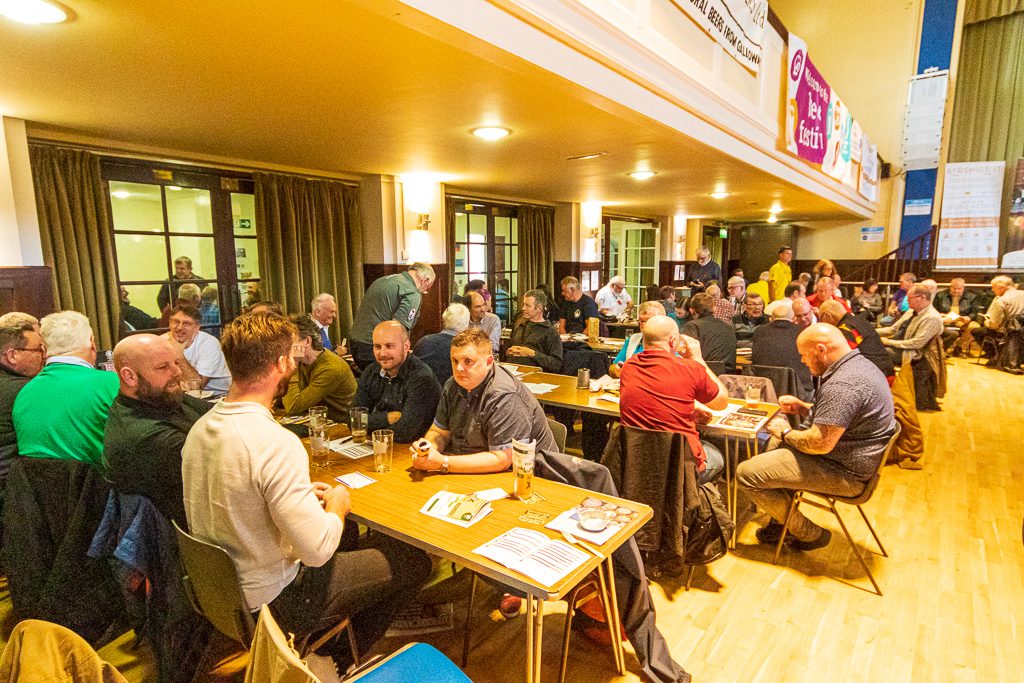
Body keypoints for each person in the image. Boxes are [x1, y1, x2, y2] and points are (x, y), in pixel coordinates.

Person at [182, 313, 430, 671]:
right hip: (277, 599)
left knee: (350, 539)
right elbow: (316, 551)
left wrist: (298, 496)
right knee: (413, 561)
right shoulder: (274, 442)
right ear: (282, 363)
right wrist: (338, 505)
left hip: (221, 590)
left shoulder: (200, 429)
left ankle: (329, 637)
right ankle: (337, 660)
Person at [738, 324, 896, 550]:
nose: (802, 361)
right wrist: (803, 408)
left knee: (746, 474)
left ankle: (809, 534)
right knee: (774, 446)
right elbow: (844, 417)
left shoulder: (844, 384)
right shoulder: (860, 365)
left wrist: (785, 431)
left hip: (845, 473)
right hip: (850, 459)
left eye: (804, 355)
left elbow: (819, 444)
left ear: (821, 350)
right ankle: (780, 524)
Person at [412, 328, 557, 474]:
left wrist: (443, 462)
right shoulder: (452, 385)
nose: (459, 368)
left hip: (528, 476)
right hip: (469, 468)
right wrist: (428, 448)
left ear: (488, 362)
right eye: (455, 361)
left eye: (468, 361)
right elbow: (439, 432)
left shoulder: (505, 395)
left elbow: (502, 459)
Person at [103, 334, 211, 526]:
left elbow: (214, 413)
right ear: (129, 376)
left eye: (176, 363)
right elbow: (220, 468)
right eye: (163, 367)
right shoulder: (146, 437)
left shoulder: (159, 397)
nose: (178, 372)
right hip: (188, 533)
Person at [618, 315, 727, 483]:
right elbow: (721, 402)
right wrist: (698, 359)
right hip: (679, 467)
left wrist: (687, 408)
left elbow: (652, 398)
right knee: (717, 457)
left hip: (636, 462)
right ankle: (691, 496)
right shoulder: (690, 368)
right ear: (673, 340)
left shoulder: (629, 366)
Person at [12, 311, 119, 468]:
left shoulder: (24, 393)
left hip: (36, 483)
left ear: (44, 349)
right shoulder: (113, 383)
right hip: (97, 481)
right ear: (92, 342)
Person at [353, 321, 441, 443]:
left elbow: (405, 433)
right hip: (382, 445)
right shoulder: (371, 371)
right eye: (377, 347)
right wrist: (387, 418)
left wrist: (369, 422)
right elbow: (353, 420)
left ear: (406, 346)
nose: (382, 353)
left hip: (412, 449)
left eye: (389, 346)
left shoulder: (422, 378)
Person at [350, 263, 436, 370]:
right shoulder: (412, 292)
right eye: (426, 289)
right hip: (376, 348)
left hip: (355, 344)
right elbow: (397, 329)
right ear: (425, 280)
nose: (423, 292)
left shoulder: (382, 280)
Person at [282, 315, 357, 422]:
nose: (284, 346)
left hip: (342, 424)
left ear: (307, 341)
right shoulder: (303, 361)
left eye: (289, 341)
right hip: (317, 418)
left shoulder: (330, 368)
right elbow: (282, 396)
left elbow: (293, 407)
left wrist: (292, 366)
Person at [0, 323, 45, 495]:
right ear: (12, 355)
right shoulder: (26, 390)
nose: (44, 356)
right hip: (12, 491)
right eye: (38, 349)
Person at [818, 300, 894, 382]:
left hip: (874, 378)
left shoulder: (846, 328)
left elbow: (839, 355)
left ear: (827, 316)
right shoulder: (860, 320)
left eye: (822, 320)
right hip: (884, 372)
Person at [751, 304, 814, 400]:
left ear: (771, 319)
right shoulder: (804, 332)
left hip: (764, 391)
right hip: (799, 391)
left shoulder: (759, 331)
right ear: (794, 319)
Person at [164, 305, 231, 394]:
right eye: (176, 322)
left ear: (197, 327)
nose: (179, 327)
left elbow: (196, 386)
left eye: (186, 323)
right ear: (169, 323)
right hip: (182, 395)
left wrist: (178, 354)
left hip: (217, 396)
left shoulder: (209, 343)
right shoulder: (160, 342)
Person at [878, 283, 944, 366]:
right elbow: (893, 329)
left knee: (871, 351)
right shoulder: (910, 312)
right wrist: (870, 331)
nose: (907, 301)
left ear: (922, 298)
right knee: (869, 345)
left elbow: (917, 343)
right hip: (898, 347)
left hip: (911, 354)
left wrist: (889, 342)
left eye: (909, 298)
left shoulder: (932, 317)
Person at [972, 275, 1024, 371]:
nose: (992, 290)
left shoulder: (1002, 300)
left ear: (1002, 287)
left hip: (1007, 334)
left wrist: (986, 321)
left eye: (993, 287)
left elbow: (994, 325)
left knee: (976, 331)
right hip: (1021, 333)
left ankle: (995, 356)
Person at [505, 290, 563, 373]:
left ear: (539, 308)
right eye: (523, 304)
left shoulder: (550, 332)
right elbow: (508, 351)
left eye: (528, 305)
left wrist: (532, 354)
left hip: (534, 375)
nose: (523, 308)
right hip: (512, 371)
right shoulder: (520, 326)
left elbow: (556, 364)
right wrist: (508, 352)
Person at [414, 303, 470, 386]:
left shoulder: (423, 342)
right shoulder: (466, 349)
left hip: (420, 391)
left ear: (443, 320)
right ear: (467, 326)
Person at [682, 293, 737, 373]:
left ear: (691, 310)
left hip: (704, 374)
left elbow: (687, 353)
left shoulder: (692, 326)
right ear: (714, 308)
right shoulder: (728, 327)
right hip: (728, 375)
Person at [609, 301, 664, 378]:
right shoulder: (632, 339)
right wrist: (616, 370)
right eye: (641, 321)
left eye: (649, 320)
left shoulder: (670, 342)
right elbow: (614, 366)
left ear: (662, 321)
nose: (644, 325)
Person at [932, 278, 980, 357]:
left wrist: (969, 317)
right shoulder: (940, 295)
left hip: (961, 320)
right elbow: (933, 310)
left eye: (959, 289)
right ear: (950, 287)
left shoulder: (972, 296)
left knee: (974, 327)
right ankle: (941, 349)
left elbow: (974, 312)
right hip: (945, 319)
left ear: (963, 288)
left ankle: (958, 347)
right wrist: (941, 315)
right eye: (954, 288)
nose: (956, 291)